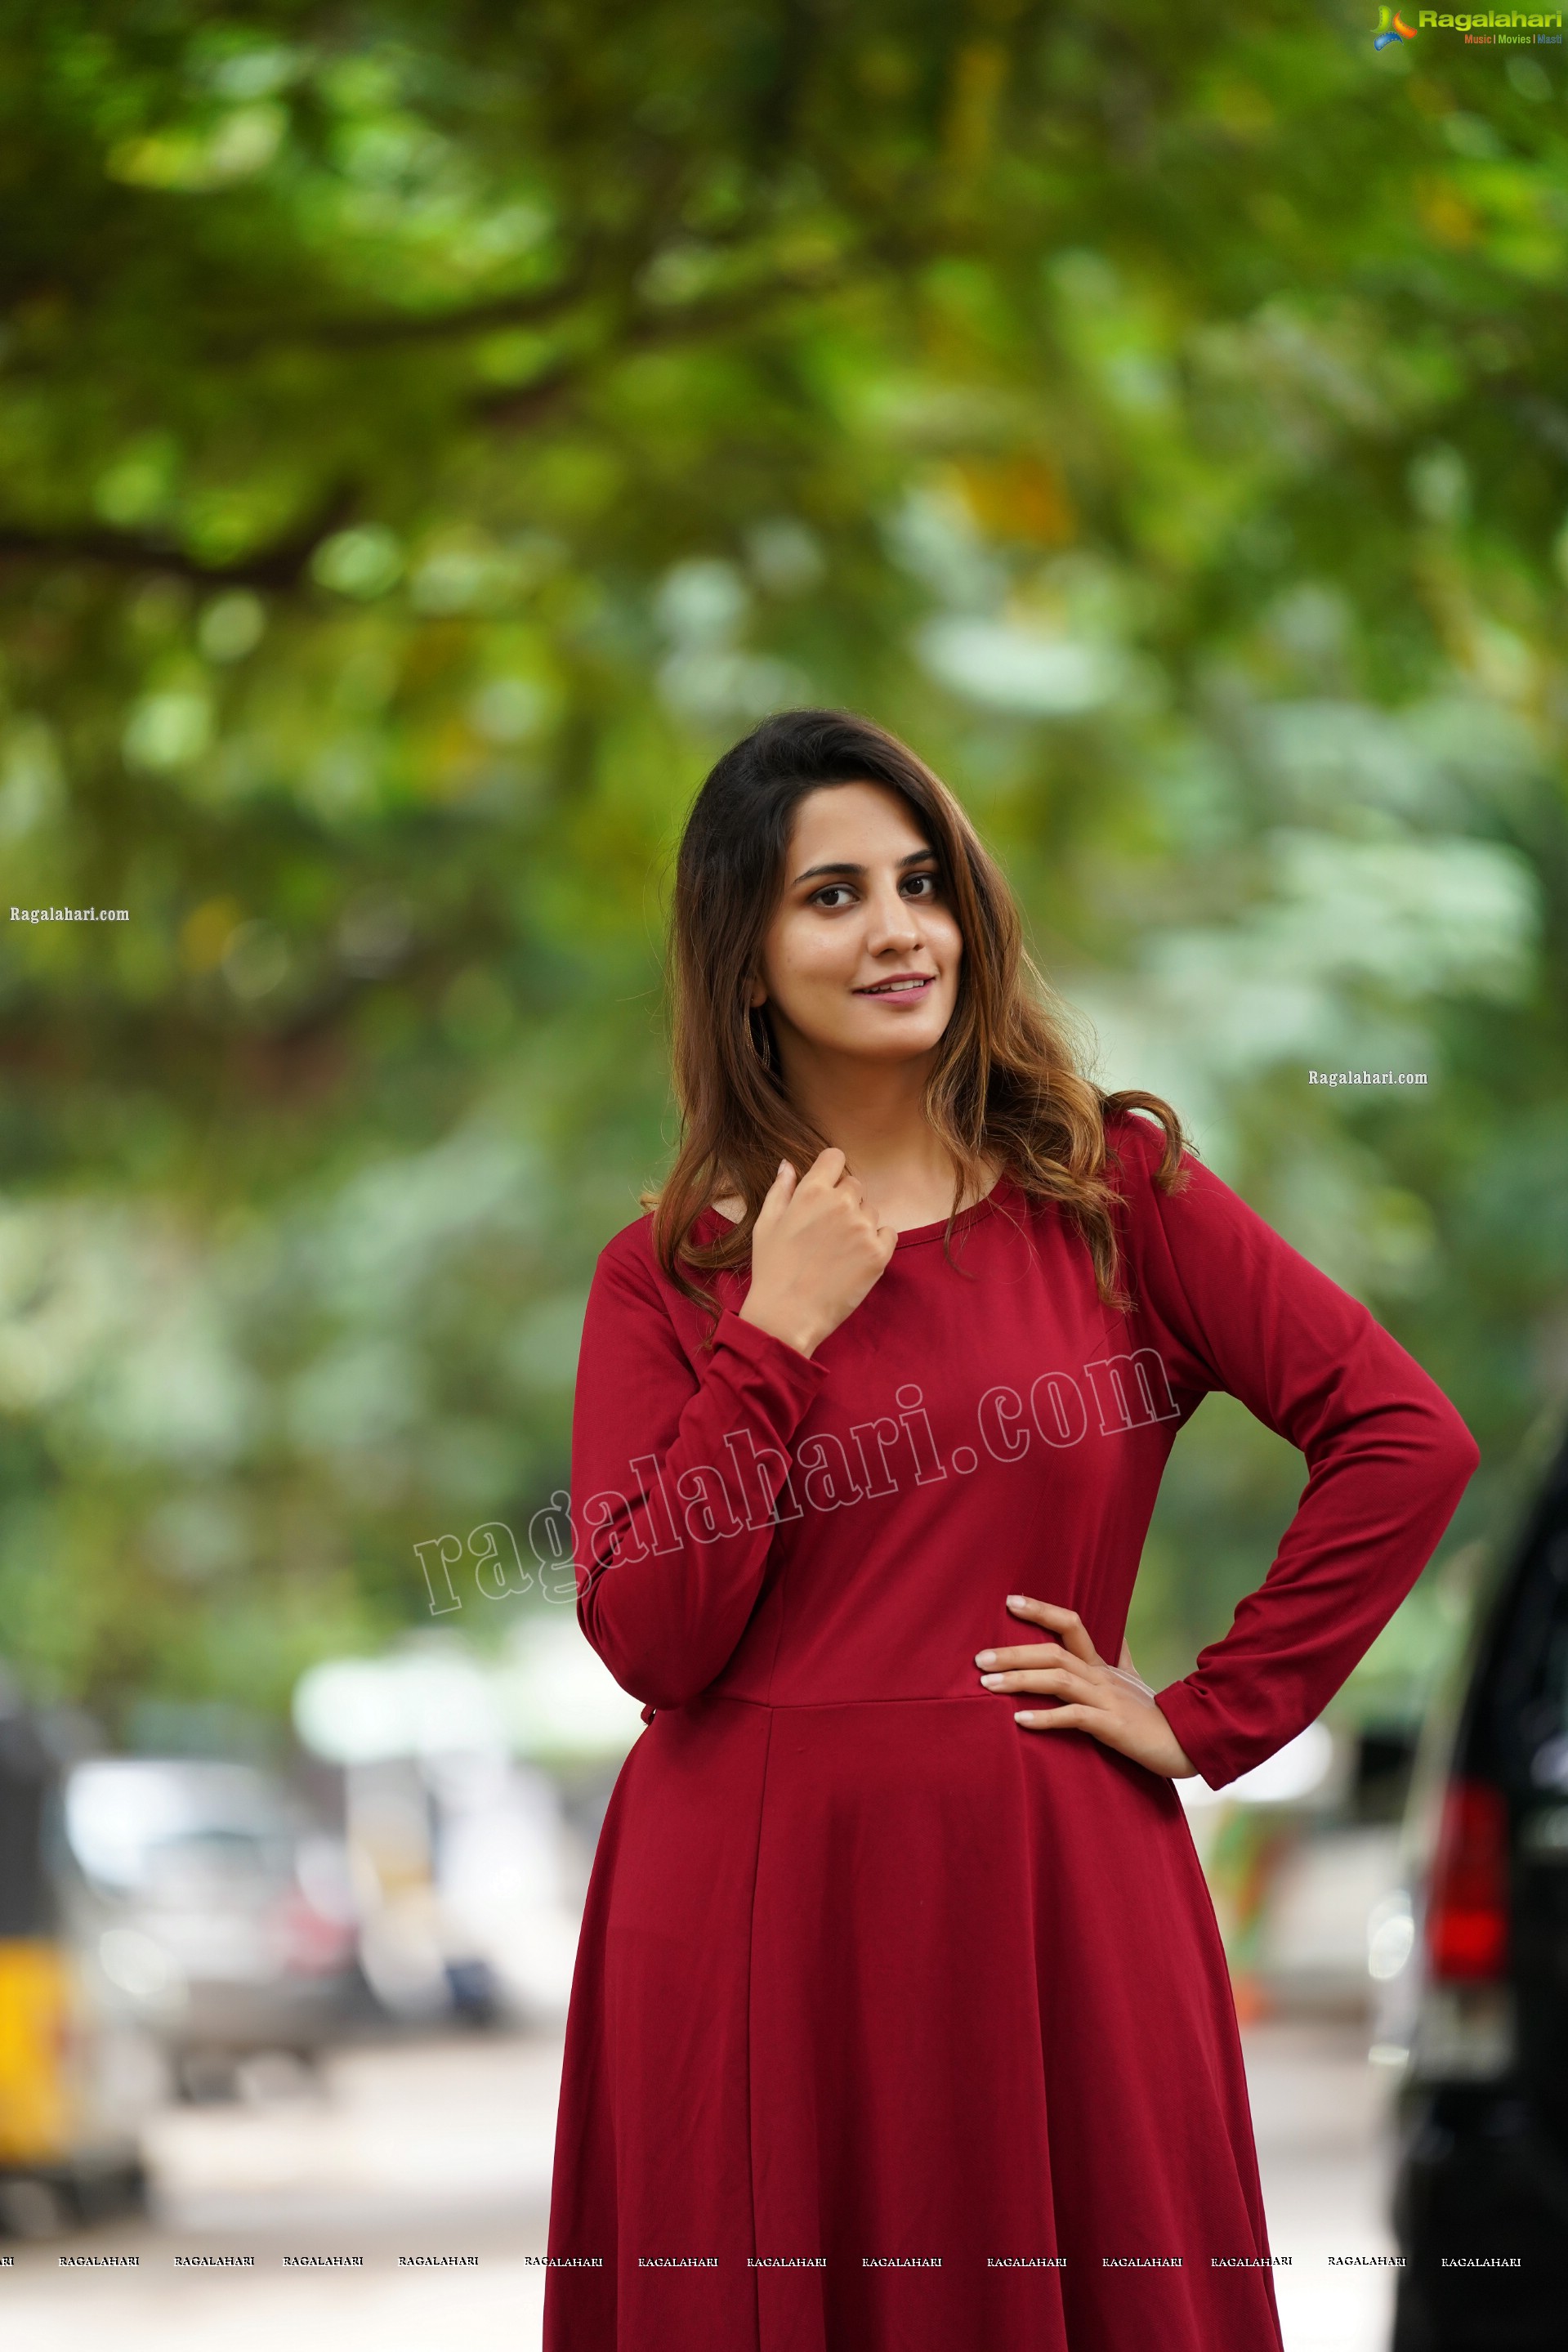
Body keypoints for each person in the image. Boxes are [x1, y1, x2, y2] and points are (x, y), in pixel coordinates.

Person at [542, 709, 1479, 2352]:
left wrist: (1208, 1709)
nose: (900, 927)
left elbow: (1405, 1436)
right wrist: (773, 1332)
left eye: (924, 881)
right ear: (745, 957)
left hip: (1047, 1887)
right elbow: (655, 1635)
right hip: (749, 1913)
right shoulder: (671, 1271)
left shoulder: (1113, 1194)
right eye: (831, 894)